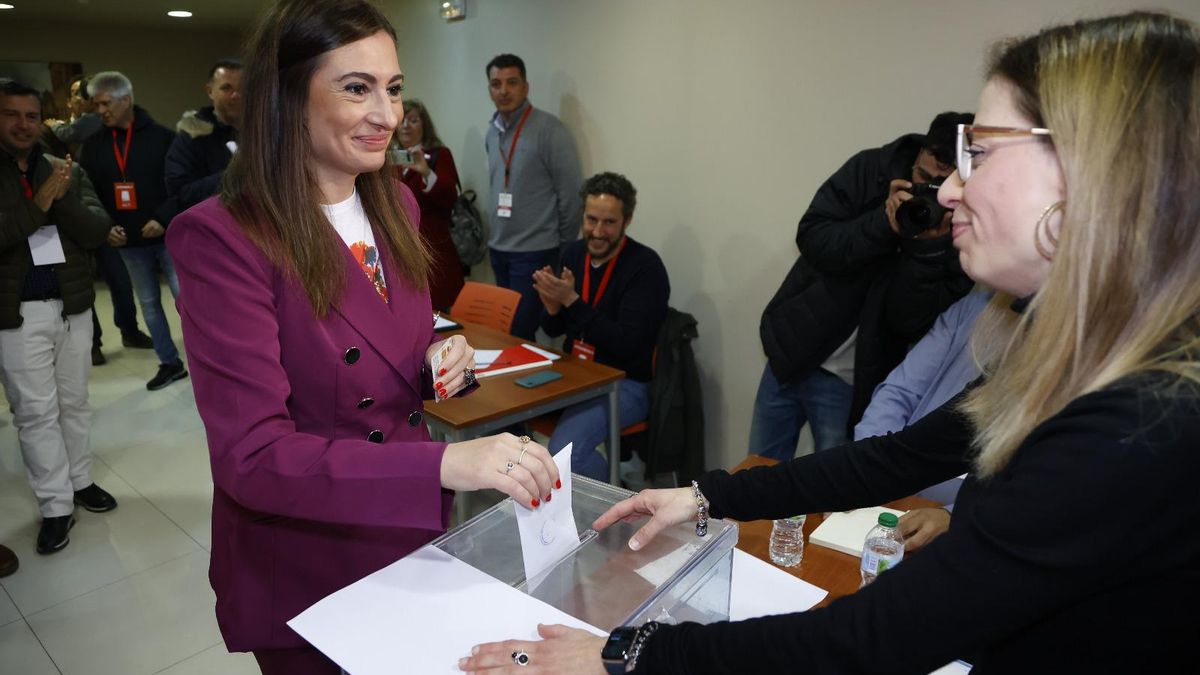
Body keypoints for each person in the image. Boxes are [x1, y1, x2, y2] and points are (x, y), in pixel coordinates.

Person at [460, 11, 1200, 673]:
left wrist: (624, 653)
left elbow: (870, 640)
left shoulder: (1138, 422)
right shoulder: (1076, 353)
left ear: (1092, 174)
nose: (947, 192)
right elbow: (894, 458)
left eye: (984, 150)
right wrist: (706, 493)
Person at [166, 2, 561, 673]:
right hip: (304, 559)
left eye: (394, 88)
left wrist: (440, 358)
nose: (388, 114)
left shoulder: (395, 203)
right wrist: (447, 462)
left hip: (401, 533)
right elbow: (254, 457)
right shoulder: (224, 236)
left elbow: (385, 353)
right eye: (357, 88)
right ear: (287, 97)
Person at [752, 111, 975, 459]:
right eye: (922, 178)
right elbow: (812, 236)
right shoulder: (872, 169)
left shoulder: (966, 225)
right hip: (793, 350)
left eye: (939, 186)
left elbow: (907, 320)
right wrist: (883, 224)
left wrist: (927, 248)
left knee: (828, 492)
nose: (927, 193)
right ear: (919, 153)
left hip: (853, 382)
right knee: (756, 471)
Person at [0, 78, 117, 555]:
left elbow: (96, 229)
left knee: (74, 402)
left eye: (31, 115)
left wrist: (61, 193)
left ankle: (81, 481)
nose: (24, 124)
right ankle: (55, 507)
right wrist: (41, 200)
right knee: (35, 413)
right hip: (17, 315)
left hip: (72, 308)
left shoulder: (62, 168)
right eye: (12, 115)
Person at [533, 172, 669, 482]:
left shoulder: (646, 267)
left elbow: (627, 345)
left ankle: (611, 508)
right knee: (503, 416)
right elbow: (554, 329)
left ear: (627, 220)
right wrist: (553, 307)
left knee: (566, 453)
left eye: (608, 223)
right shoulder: (573, 253)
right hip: (574, 373)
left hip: (625, 384)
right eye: (591, 219)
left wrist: (571, 300)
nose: (597, 231)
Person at [852, 289, 998, 550]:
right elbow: (898, 392)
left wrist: (953, 515)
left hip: (970, 531)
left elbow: (1043, 489)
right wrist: (869, 472)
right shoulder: (975, 306)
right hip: (893, 496)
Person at [79, 71, 186, 390]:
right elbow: (89, 193)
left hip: (166, 236)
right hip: (126, 241)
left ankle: (211, 361)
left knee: (187, 301)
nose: (100, 111)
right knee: (150, 304)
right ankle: (170, 362)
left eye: (105, 103)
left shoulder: (163, 138)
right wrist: (105, 227)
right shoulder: (94, 145)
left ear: (125, 100)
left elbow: (179, 186)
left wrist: (163, 218)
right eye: (96, 105)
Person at [44, 73, 150, 365]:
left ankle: (130, 330)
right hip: (67, 216)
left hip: (97, 213)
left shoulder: (92, 127)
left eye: (87, 96)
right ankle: (93, 344)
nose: (83, 100)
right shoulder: (54, 131)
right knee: (79, 285)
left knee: (119, 280)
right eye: (79, 94)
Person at [484, 53, 582, 339]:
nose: (503, 91)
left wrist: (562, 246)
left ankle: (519, 383)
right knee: (506, 331)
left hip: (536, 250)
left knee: (518, 331)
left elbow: (571, 195)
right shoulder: (492, 131)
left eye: (512, 82)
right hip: (499, 247)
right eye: (496, 84)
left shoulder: (549, 129)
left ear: (526, 87)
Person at [393, 98, 464, 309]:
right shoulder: (386, 159)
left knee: (439, 311)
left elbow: (450, 197)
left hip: (435, 249)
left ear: (424, 126)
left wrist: (425, 171)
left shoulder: (439, 155)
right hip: (400, 250)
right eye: (402, 120)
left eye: (413, 120)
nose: (406, 125)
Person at [165, 58, 243, 217]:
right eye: (226, 88)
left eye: (243, 87)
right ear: (210, 91)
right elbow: (179, 194)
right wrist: (232, 177)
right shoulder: (192, 135)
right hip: (211, 229)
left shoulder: (266, 132)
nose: (236, 95)